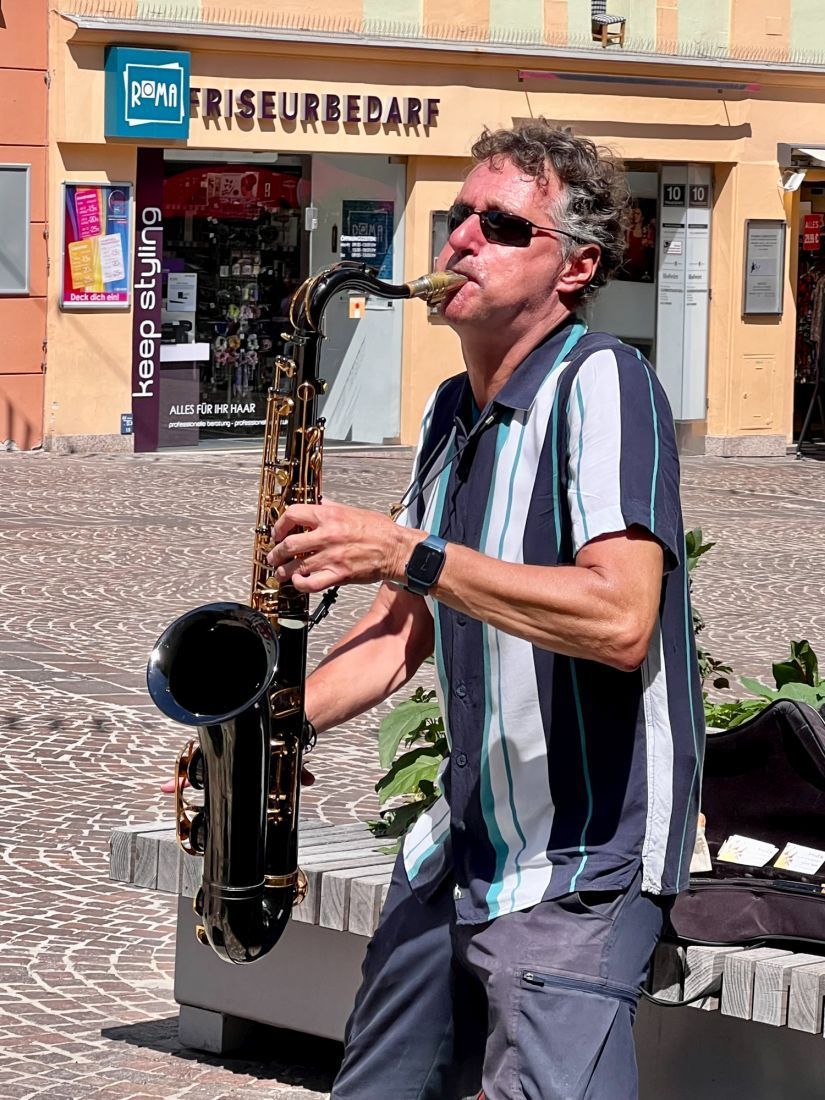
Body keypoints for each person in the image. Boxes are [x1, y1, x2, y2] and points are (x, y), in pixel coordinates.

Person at [266, 120, 704, 1100]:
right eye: (459, 216)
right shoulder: (449, 413)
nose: (462, 238)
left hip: (583, 861)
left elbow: (620, 616)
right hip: (461, 845)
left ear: (575, 267)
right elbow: (399, 631)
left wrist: (408, 552)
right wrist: (262, 732)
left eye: (502, 225)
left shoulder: (603, 383)